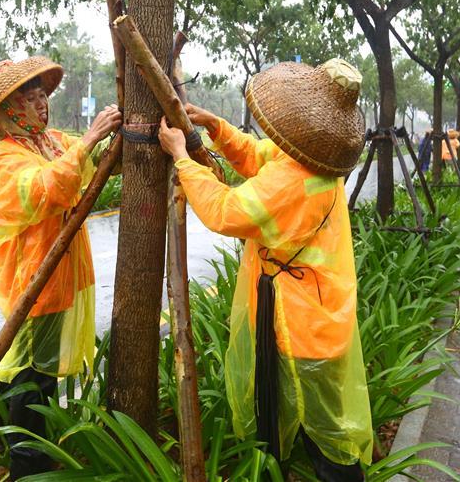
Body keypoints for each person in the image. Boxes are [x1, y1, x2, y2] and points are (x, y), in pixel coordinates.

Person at [159, 59, 373, 481]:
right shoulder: (315, 163)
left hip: (302, 323)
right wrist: (216, 126)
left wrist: (182, 157)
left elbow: (224, 210)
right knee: (306, 411)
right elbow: (260, 155)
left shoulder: (291, 182)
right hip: (317, 310)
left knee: (323, 431)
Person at [0, 57, 121, 477]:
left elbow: (87, 166)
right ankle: (24, 463)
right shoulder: (5, 156)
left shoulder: (49, 141)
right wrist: (91, 138)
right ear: (8, 110)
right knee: (31, 377)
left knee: (26, 368)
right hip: (32, 280)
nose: (42, 106)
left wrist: (114, 142)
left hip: (58, 277)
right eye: (32, 98)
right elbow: (45, 190)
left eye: (43, 96)